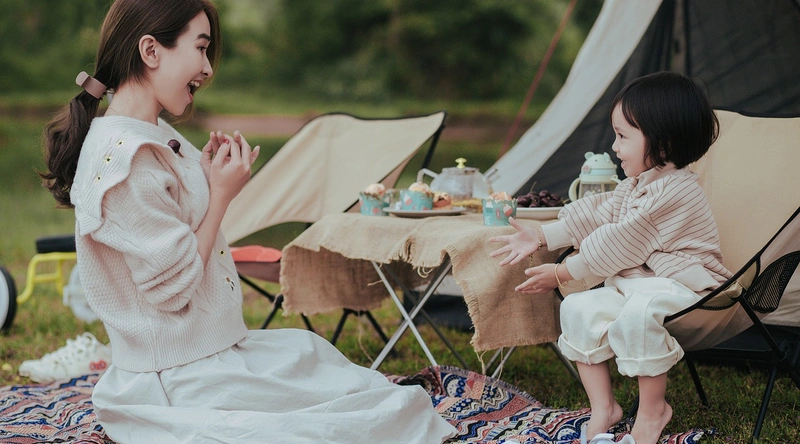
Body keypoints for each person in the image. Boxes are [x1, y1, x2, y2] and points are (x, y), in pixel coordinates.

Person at [40, 1, 456, 443]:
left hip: (207, 351)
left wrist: (204, 179)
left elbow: (174, 222)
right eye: (200, 48)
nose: (207, 68)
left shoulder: (152, 133)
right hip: (176, 377)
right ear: (151, 51)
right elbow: (171, 288)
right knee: (371, 415)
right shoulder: (126, 161)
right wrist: (220, 195)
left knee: (319, 360)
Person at [489, 72, 731, 444]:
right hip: (639, 283)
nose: (615, 147)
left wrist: (563, 271)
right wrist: (541, 235)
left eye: (622, 136)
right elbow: (598, 213)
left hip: (684, 283)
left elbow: (621, 240)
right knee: (578, 309)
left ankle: (653, 411)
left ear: (663, 143)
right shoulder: (638, 183)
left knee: (638, 315)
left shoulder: (676, 191)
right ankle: (604, 408)